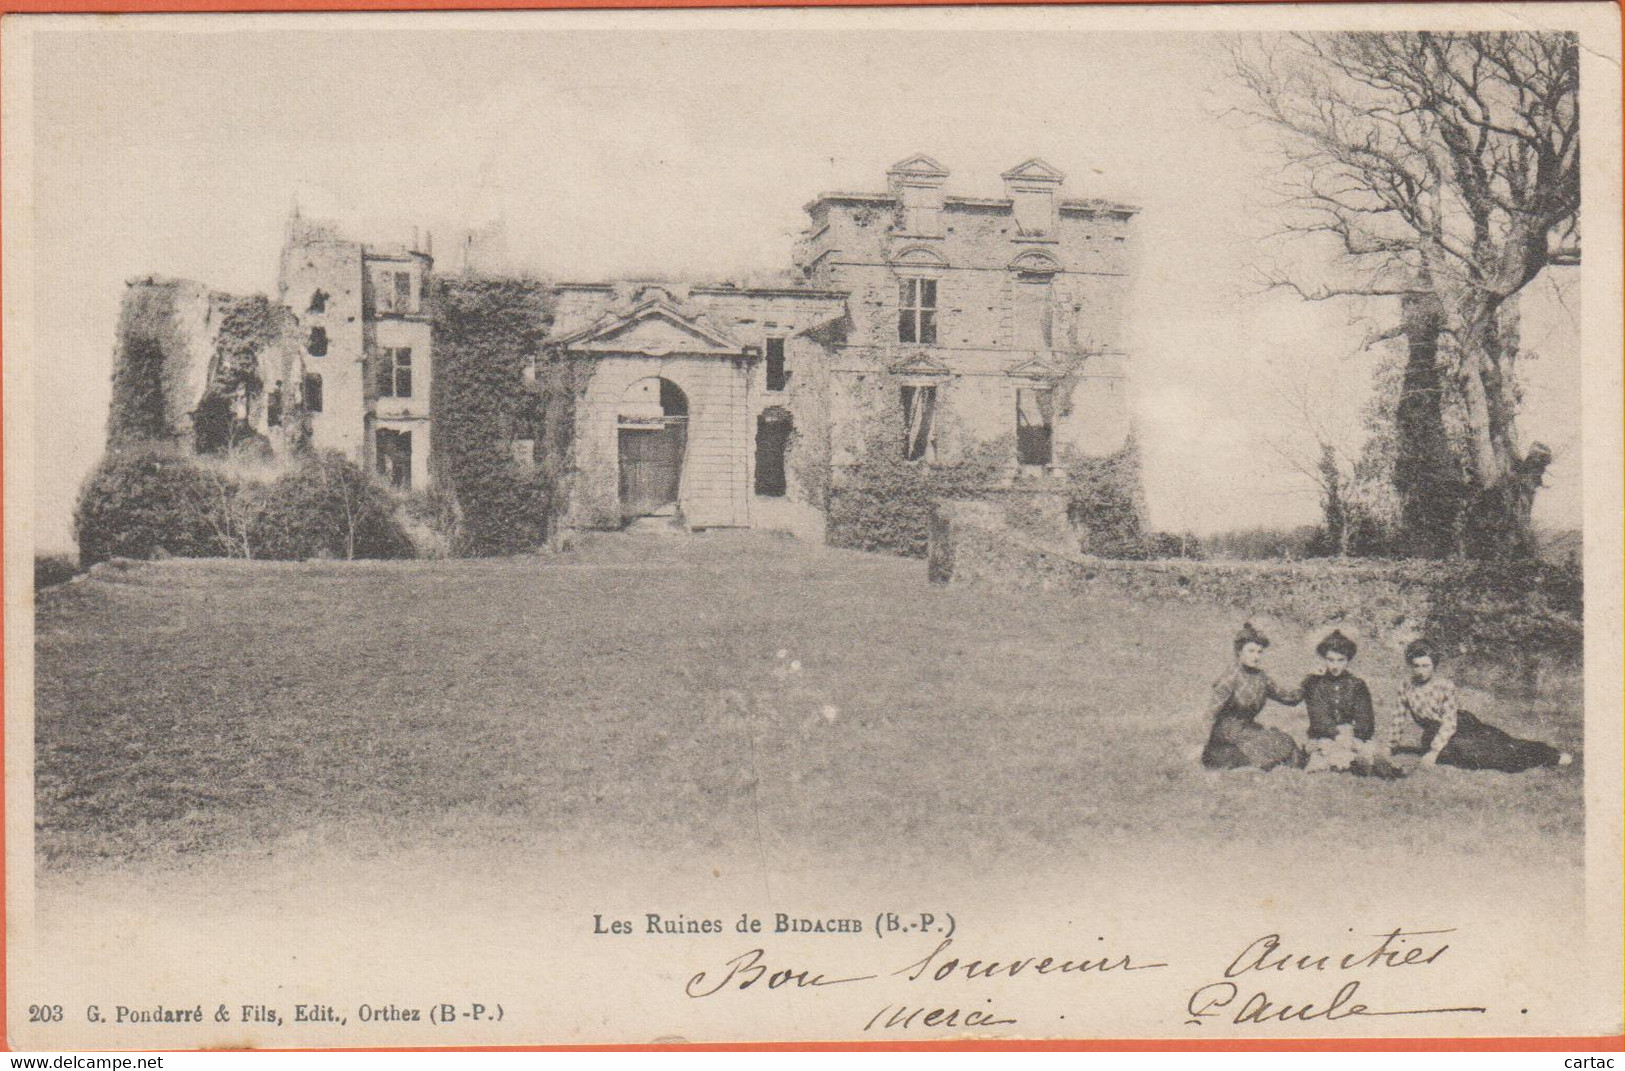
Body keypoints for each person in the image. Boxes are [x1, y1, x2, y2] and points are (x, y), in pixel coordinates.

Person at [1392, 639, 1575, 773]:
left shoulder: (1444, 686)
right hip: (1433, 731)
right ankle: (1537, 756)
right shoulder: (1405, 687)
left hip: (1461, 725)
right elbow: (1398, 718)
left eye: (1426, 665)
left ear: (1434, 665)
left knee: (1499, 748)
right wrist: (1391, 745)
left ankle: (1550, 755)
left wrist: (1432, 752)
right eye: (1416, 666)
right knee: (1464, 756)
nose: (1421, 671)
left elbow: (1449, 722)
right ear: (1410, 665)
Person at [1201, 623, 1306, 771]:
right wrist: (1199, 746)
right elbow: (1210, 714)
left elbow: (1289, 698)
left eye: (1259, 652)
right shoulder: (1230, 678)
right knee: (1252, 751)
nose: (1256, 656)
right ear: (1239, 651)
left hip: (1248, 730)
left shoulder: (1261, 678)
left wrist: (1308, 681)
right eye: (1251, 651)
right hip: (1225, 736)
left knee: (1285, 741)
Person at [1300, 630, 1401, 778]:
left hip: (1351, 734)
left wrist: (1356, 736)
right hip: (1325, 735)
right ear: (1324, 659)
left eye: (1341, 660)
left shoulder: (1356, 684)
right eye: (1330, 660)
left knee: (1365, 748)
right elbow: (1318, 717)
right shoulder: (1315, 683)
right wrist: (1337, 735)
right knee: (1325, 750)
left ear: (1348, 660)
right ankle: (1353, 764)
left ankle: (1369, 763)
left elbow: (1365, 717)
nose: (1335, 665)